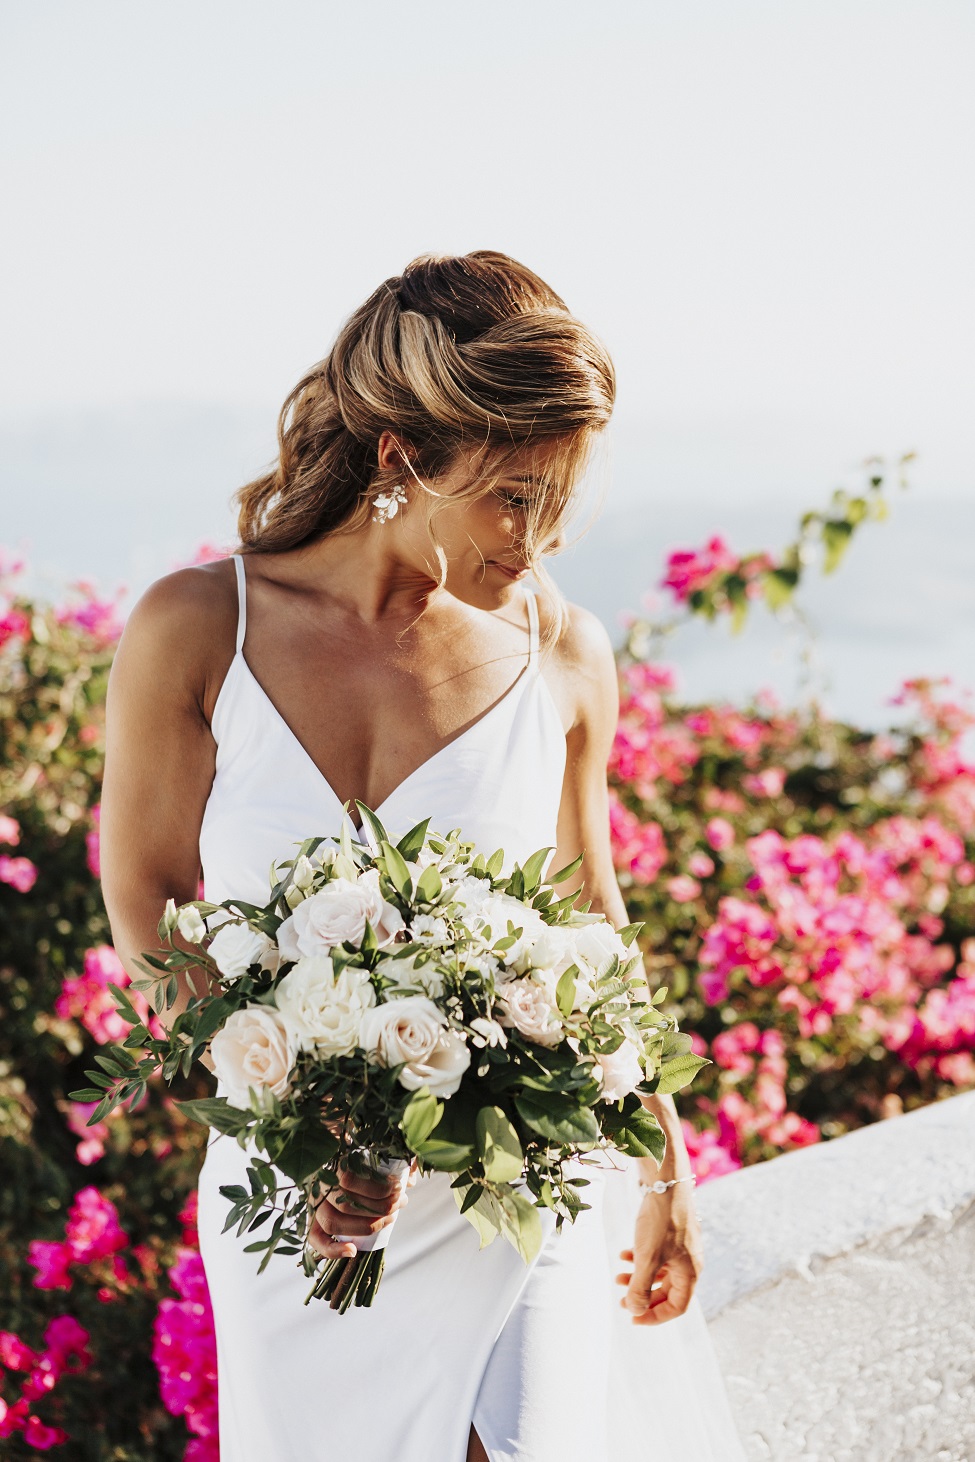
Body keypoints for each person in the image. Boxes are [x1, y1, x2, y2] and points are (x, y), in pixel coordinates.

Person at [100, 251, 746, 1461]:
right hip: (302, 1199)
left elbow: (593, 914)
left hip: (521, 1184)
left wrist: (664, 1157)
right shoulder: (197, 630)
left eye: (561, 499)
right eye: (512, 496)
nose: (539, 538)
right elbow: (148, 895)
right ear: (402, 455)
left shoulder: (562, 649)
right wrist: (294, 1109)